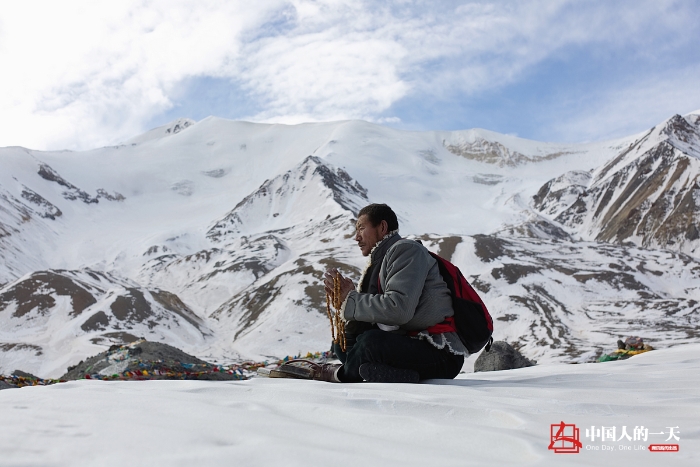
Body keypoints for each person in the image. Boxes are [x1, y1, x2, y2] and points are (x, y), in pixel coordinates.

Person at [313, 203, 467, 383]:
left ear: (382, 227)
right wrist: (345, 302)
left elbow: (398, 309)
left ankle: (341, 375)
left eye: (361, 228)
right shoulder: (380, 260)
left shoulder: (407, 250)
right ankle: (391, 373)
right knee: (342, 343)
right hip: (408, 347)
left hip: (440, 355)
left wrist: (352, 301)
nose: (356, 237)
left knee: (370, 342)